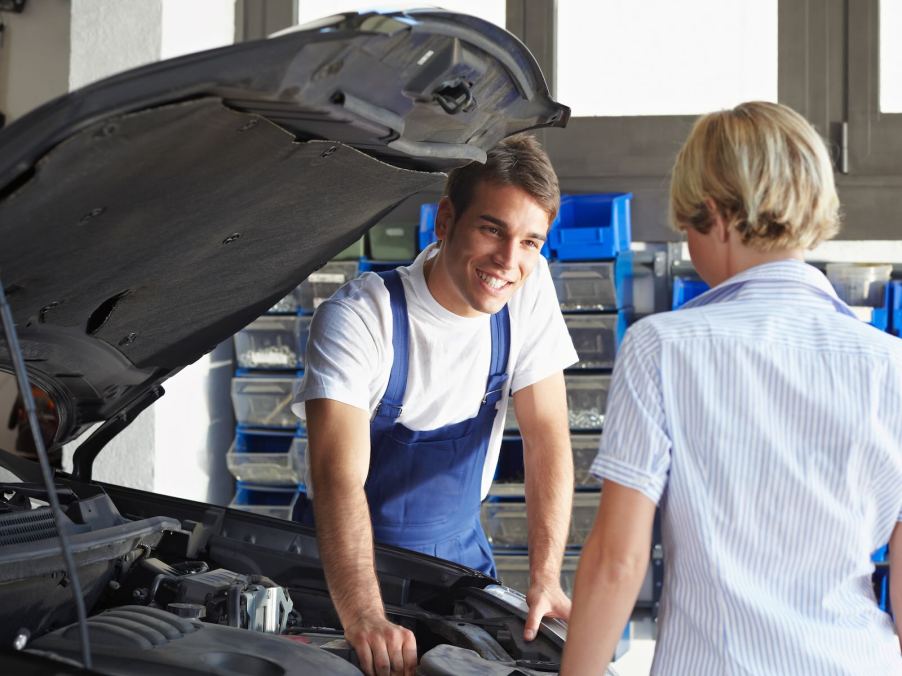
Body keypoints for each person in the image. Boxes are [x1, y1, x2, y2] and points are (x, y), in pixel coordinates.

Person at [561, 101, 902, 674]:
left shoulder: (661, 348)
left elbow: (618, 562)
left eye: (687, 226)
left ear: (716, 218)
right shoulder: (891, 364)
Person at [293, 134, 578, 676]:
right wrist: (364, 616)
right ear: (445, 221)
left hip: (457, 560)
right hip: (341, 567)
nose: (509, 261)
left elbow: (546, 437)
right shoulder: (361, 319)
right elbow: (337, 480)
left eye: (530, 241)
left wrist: (545, 578)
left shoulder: (528, 289)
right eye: (492, 229)